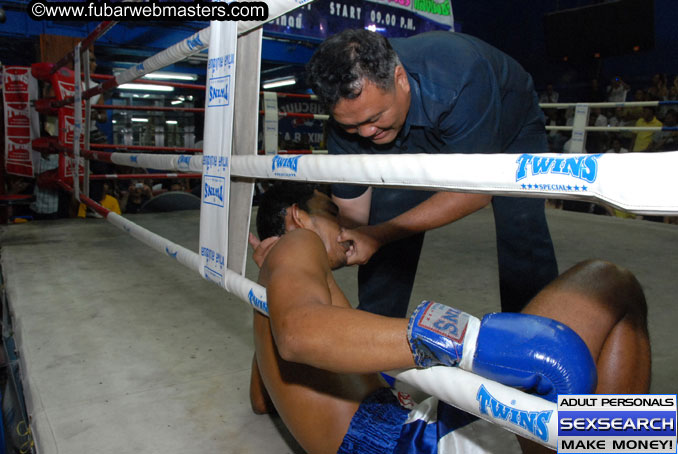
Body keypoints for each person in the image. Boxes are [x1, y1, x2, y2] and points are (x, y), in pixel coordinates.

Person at [248, 182, 651, 454]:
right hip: (411, 442)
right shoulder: (298, 243)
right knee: (610, 283)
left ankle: (646, 434)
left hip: (398, 431)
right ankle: (649, 433)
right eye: (332, 213)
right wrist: (448, 337)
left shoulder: (270, 290)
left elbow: (261, 399)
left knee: (622, 423)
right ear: (298, 218)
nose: (345, 227)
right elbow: (298, 333)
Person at [305, 29, 558, 317]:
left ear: (400, 79)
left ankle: (535, 336)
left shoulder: (461, 75)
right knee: (385, 216)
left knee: (521, 224)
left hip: (509, 128)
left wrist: (377, 236)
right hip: (415, 131)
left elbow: (474, 194)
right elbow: (355, 218)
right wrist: (318, 248)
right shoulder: (347, 128)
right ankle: (374, 334)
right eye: (352, 125)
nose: (365, 132)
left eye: (373, 118)